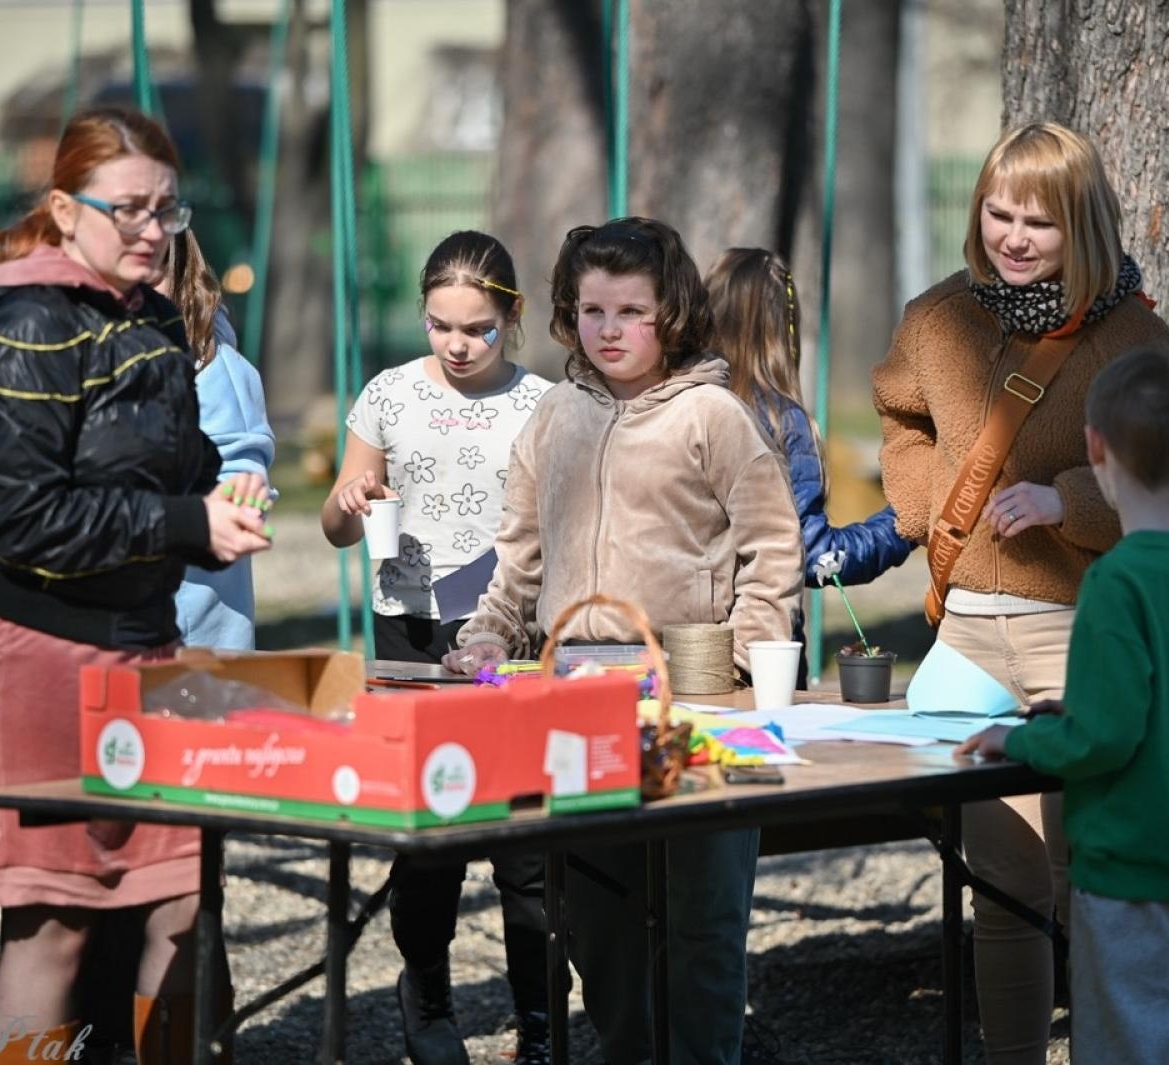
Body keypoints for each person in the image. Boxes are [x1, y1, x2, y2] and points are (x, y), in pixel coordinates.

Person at [871, 121, 1169, 1063]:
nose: (1014, 236)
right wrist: (926, 499)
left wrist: (1070, 499)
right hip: (964, 633)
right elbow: (900, 418)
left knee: (1088, 874)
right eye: (998, 212)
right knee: (1003, 885)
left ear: (1084, 225)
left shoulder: (1132, 332)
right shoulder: (935, 315)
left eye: (1040, 220)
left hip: (1078, 633)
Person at [0, 106, 271, 1064]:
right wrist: (183, 523)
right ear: (63, 208)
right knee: (55, 926)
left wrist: (218, 505)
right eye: (126, 209)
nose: (152, 231)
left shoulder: (158, 315)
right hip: (30, 652)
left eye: (167, 210)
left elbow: (183, 462)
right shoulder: (25, 319)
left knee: (183, 902)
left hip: (144, 639)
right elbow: (25, 518)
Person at [442, 217, 803, 1064]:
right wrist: (489, 634)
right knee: (593, 915)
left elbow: (773, 544)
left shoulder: (713, 414)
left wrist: (743, 656)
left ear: (671, 312)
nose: (608, 329)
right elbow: (520, 554)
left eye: (630, 311)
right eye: (592, 309)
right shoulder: (555, 415)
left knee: (701, 919)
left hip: (694, 694)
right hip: (572, 694)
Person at [956, 348, 1169, 1065]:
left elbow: (1105, 737)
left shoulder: (1117, 581)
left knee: (1128, 1044)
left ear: (1093, 447)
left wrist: (1023, 739)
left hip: (1129, 870)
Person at [321, 230, 553, 1065]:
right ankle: (429, 999)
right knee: (434, 831)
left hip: (507, 628)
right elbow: (337, 528)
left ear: (512, 318)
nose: (457, 344)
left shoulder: (541, 404)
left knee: (526, 843)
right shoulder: (388, 395)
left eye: (478, 328)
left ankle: (540, 1016)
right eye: (440, 324)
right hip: (410, 631)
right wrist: (350, 499)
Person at [705, 246, 913, 610]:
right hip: (759, 647)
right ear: (785, 330)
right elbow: (817, 555)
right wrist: (908, 518)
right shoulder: (780, 421)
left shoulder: (674, 405)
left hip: (675, 643)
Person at [158, 230, 275, 650]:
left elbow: (243, 479)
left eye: (154, 270)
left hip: (193, 631)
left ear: (181, 273)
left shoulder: (217, 370)